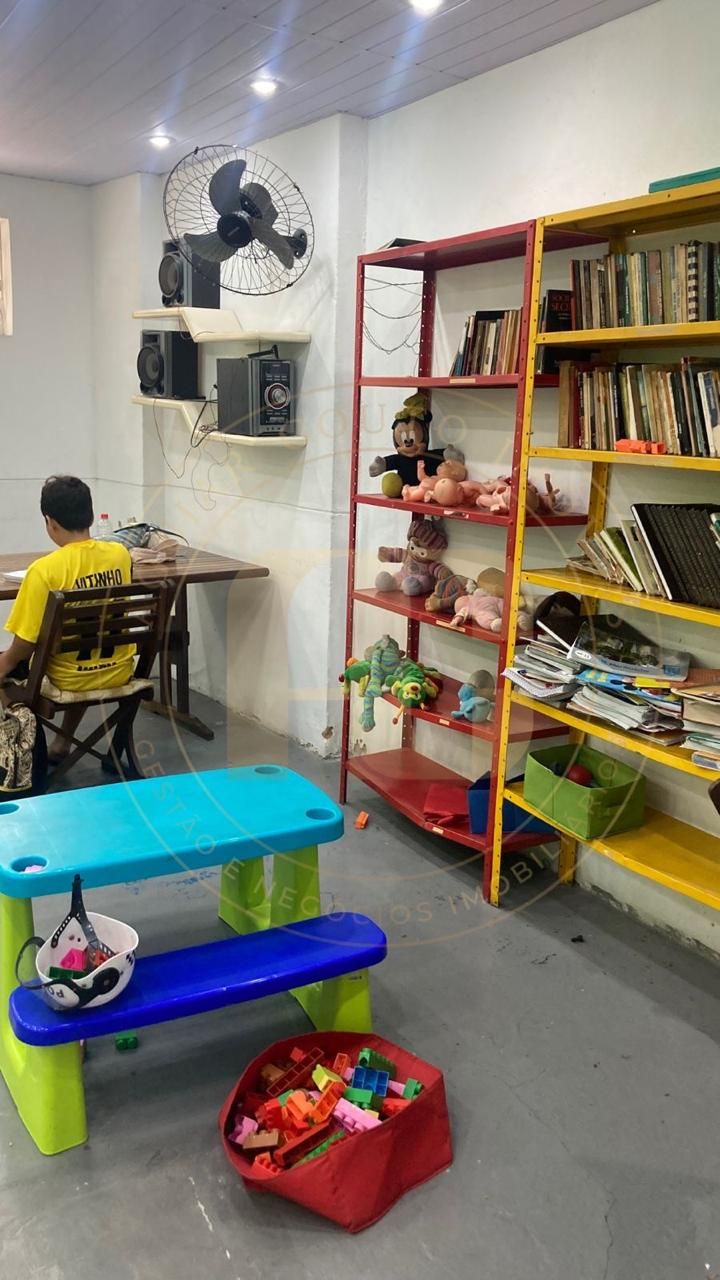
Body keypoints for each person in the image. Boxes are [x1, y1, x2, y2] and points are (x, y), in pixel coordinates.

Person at [0, 476, 134, 763]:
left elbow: (24, 645)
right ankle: (62, 743)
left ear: (50, 522)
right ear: (91, 515)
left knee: (9, 665)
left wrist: (5, 664)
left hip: (69, 677)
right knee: (79, 647)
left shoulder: (44, 570)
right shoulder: (120, 555)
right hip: (118, 670)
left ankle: (22, 759)